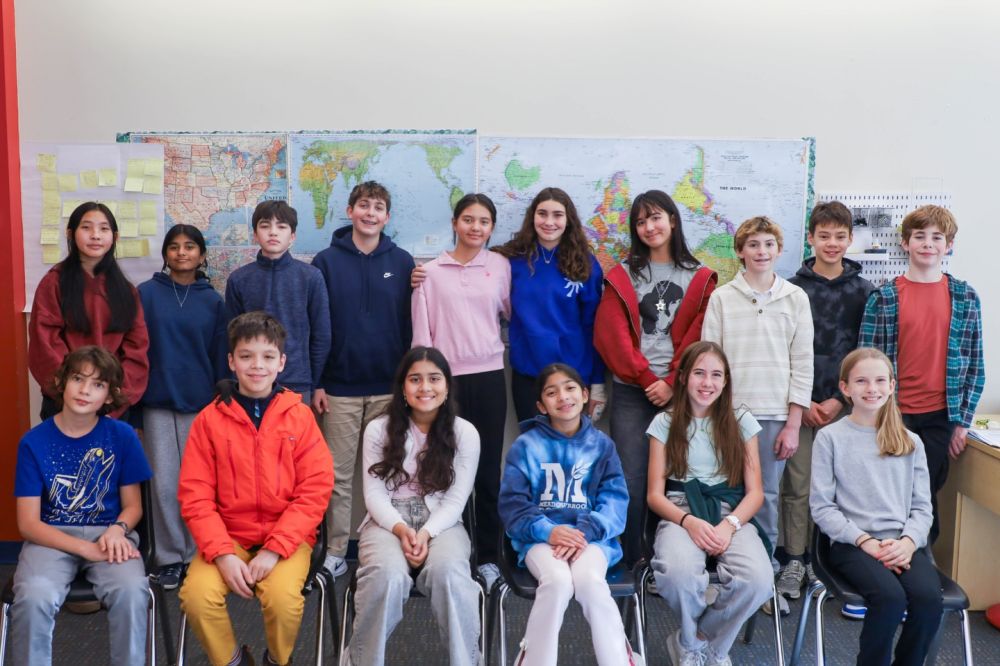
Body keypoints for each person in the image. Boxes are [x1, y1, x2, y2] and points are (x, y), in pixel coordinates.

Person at [178, 312, 333, 666]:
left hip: (287, 539)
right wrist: (222, 553)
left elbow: (315, 491)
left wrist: (275, 549)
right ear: (232, 361)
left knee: (283, 601)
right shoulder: (208, 420)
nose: (257, 366)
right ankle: (233, 660)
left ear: (282, 362)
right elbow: (195, 496)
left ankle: (275, 661)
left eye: (267, 356)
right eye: (246, 356)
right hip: (228, 537)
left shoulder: (300, 417)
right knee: (197, 597)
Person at [595, 189, 717, 565]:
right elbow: (611, 333)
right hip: (633, 390)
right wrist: (648, 378)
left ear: (673, 221)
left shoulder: (700, 277)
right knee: (631, 476)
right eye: (641, 221)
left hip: (683, 394)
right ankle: (632, 557)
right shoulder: (622, 275)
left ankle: (676, 560)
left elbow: (702, 332)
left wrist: (672, 381)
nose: (649, 227)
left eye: (656, 218)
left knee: (681, 477)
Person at [12, 346, 153, 665]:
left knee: (132, 591)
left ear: (109, 395)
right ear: (62, 382)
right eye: (78, 378)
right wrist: (84, 549)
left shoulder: (123, 436)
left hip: (109, 536)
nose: (85, 390)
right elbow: (28, 524)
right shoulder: (33, 442)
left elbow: (133, 507)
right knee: (34, 596)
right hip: (50, 538)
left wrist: (118, 529)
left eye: (97, 384)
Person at [701, 216, 813, 615]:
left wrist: (794, 423)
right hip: (727, 416)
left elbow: (803, 363)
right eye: (753, 245)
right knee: (718, 496)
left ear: (779, 250)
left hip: (774, 416)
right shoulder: (722, 298)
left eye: (768, 244)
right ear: (740, 251)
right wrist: (709, 417)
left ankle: (763, 582)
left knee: (764, 498)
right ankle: (721, 577)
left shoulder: (795, 298)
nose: (761, 251)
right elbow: (709, 360)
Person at [498, 363, 640, 666]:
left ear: (585, 395)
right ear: (541, 405)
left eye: (570, 388)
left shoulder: (602, 446)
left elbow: (615, 501)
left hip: (592, 539)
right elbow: (513, 506)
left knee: (590, 581)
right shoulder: (525, 446)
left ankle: (620, 660)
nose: (563, 397)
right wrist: (549, 531)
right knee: (557, 581)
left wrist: (584, 532)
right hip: (539, 539)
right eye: (552, 392)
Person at [349, 346, 482, 666]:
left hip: (442, 521)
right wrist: (400, 528)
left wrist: (425, 533)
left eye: (434, 379)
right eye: (415, 379)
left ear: (447, 386)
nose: (425, 387)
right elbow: (374, 495)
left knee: (450, 574)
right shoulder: (378, 429)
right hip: (387, 519)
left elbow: (456, 499)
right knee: (386, 576)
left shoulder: (465, 432)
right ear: (403, 388)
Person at [859, 204, 984, 545]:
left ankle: (920, 559)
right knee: (888, 495)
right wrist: (872, 418)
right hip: (893, 414)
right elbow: (864, 365)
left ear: (949, 245)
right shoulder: (884, 298)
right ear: (905, 243)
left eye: (937, 237)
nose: (928, 244)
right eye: (919, 236)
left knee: (924, 495)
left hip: (940, 417)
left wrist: (962, 423)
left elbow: (976, 364)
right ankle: (887, 560)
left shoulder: (965, 297)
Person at [311, 180, 415, 579]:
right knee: (336, 477)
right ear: (350, 211)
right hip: (339, 389)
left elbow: (409, 325)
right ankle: (336, 551)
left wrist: (406, 385)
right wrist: (319, 382)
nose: (370, 213)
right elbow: (318, 326)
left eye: (378, 208)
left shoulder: (402, 262)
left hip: (389, 389)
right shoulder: (325, 262)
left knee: (390, 475)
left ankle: (385, 549)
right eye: (364, 206)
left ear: (387, 217)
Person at [811, 348, 941, 666]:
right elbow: (822, 508)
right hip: (851, 544)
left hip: (901, 544)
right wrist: (865, 541)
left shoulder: (910, 441)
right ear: (845, 388)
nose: (872, 389)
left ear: (892, 385)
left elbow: (923, 508)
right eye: (861, 381)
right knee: (889, 598)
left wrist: (908, 543)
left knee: (928, 600)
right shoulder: (830, 438)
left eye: (880, 380)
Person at [646, 341, 773, 666]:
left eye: (716, 375)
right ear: (684, 377)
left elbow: (755, 493)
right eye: (699, 373)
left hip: (730, 513)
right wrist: (688, 522)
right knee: (677, 574)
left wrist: (730, 525)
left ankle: (702, 642)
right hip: (681, 510)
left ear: (726, 381)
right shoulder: (664, 423)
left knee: (758, 580)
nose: (707, 382)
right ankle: (693, 646)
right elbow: (655, 495)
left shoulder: (741, 420)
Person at [777, 201, 874, 605]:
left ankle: (827, 561)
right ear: (811, 238)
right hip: (798, 406)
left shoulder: (866, 293)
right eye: (824, 236)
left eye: (839, 236)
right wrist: (803, 402)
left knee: (838, 488)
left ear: (850, 239)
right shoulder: (790, 289)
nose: (831, 243)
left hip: (846, 408)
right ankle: (794, 559)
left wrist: (837, 400)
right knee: (797, 485)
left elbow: (867, 353)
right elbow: (781, 350)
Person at [411, 193, 510, 583]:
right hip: (443, 383)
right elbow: (422, 337)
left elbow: (513, 313)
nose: (475, 227)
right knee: (440, 468)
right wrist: (425, 382)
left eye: (484, 221)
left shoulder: (500, 266)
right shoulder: (429, 273)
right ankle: (441, 551)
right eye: (468, 219)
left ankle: (487, 556)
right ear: (455, 223)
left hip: (489, 377)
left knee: (486, 470)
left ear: (491, 227)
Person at [138, 224, 229, 589]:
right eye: (174, 246)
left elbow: (221, 356)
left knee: (198, 485)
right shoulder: (145, 294)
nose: (181, 252)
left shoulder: (213, 301)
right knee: (163, 485)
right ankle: (170, 558)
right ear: (165, 254)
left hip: (201, 404)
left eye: (190, 246)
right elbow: (136, 351)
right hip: (156, 402)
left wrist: (222, 404)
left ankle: (199, 553)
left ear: (202, 255)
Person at [494, 187, 606, 422]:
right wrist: (425, 276)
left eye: (557, 215)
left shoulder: (585, 264)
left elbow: (594, 327)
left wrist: (597, 383)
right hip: (528, 375)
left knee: (569, 445)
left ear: (568, 219)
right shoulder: (511, 260)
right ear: (532, 216)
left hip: (573, 376)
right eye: (542, 214)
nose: (549, 222)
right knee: (533, 444)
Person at [28, 201, 149, 420]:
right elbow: (45, 344)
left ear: (115, 237)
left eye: (104, 229)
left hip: (112, 402)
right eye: (86, 227)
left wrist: (116, 396)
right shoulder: (54, 283)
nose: (95, 235)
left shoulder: (126, 291)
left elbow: (136, 348)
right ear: (70, 233)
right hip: (65, 402)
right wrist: (74, 392)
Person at [224, 199, 331, 403]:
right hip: (250, 382)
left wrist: (315, 383)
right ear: (255, 235)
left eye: (281, 227)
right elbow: (230, 336)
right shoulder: (238, 279)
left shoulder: (311, 277)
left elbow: (321, 336)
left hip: (297, 383)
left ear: (292, 236)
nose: (273, 232)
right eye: (265, 226)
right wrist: (235, 381)